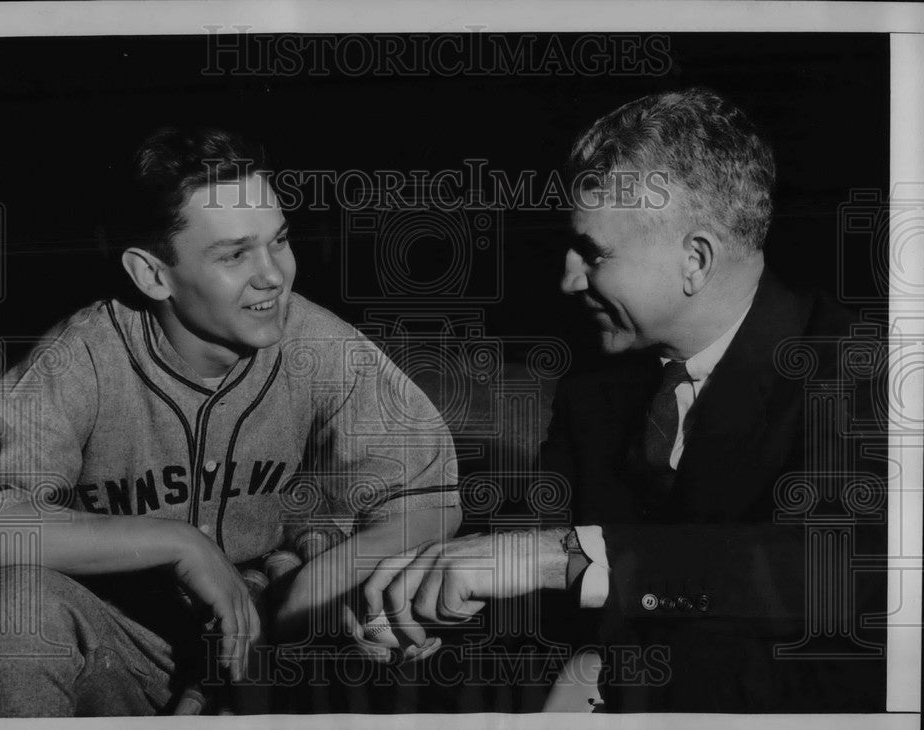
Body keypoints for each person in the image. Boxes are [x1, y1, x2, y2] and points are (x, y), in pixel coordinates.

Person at [361, 88, 887, 712]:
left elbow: (843, 573)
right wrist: (428, 607)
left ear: (695, 259)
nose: (567, 279)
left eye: (593, 253)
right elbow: (528, 562)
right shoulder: (595, 391)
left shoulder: (865, 369)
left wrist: (558, 563)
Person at [0, 127, 461, 717]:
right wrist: (181, 544)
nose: (273, 275)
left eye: (279, 241)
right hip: (123, 640)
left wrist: (319, 591)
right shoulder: (79, 360)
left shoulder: (323, 346)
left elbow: (430, 502)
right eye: (234, 254)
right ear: (153, 275)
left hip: (281, 644)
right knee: (15, 604)